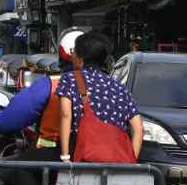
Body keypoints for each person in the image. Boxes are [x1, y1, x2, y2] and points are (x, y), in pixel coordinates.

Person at [0, 31, 78, 185]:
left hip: (56, 156)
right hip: (97, 159)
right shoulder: (108, 86)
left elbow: (12, 117)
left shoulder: (52, 85)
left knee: (8, 169)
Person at [55, 32, 144, 172]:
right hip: (117, 162)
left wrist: (65, 157)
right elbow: (138, 129)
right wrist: (130, 162)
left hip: (83, 157)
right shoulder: (119, 87)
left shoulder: (70, 79)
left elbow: (65, 114)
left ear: (80, 58)